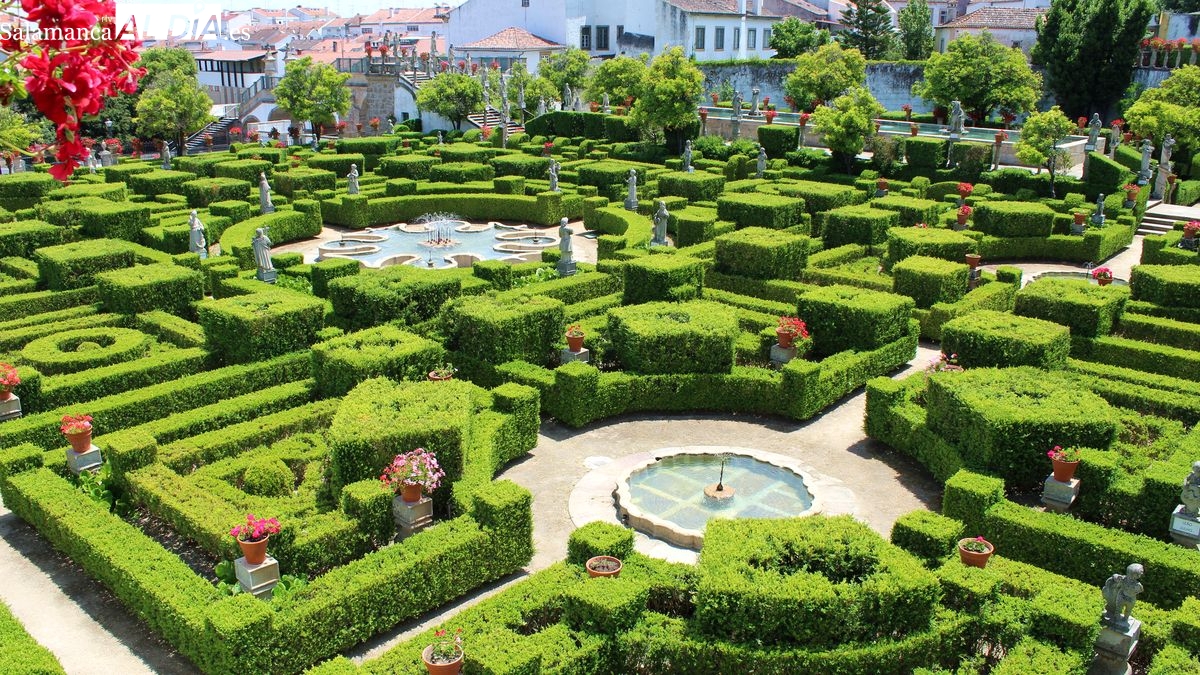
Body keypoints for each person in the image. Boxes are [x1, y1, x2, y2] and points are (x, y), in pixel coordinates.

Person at [1101, 564, 1144, 628]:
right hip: (1122, 596)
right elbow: (1115, 576)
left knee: (1128, 610)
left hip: (1131, 599)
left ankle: (1125, 619)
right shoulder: (1124, 578)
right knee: (1118, 609)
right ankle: (1117, 619)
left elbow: (1140, 590)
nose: (1130, 577)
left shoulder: (1138, 585)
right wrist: (1116, 577)